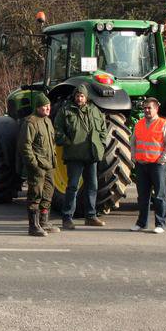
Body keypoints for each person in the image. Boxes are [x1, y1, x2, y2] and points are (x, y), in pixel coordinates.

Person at [54, 84, 108, 229]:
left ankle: (90, 216)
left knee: (92, 186)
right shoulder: (65, 111)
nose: (79, 98)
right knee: (72, 186)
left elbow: (103, 129)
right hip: (74, 155)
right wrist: (68, 142)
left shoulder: (94, 110)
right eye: (77, 96)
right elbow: (57, 130)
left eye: (82, 96)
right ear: (74, 96)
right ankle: (67, 217)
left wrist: (101, 143)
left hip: (91, 154)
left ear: (86, 97)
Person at [130, 97, 166, 234]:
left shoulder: (164, 124)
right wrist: (134, 156)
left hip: (157, 165)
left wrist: (163, 159)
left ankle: (160, 224)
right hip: (141, 164)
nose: (147, 110)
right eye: (145, 108)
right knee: (142, 196)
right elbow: (133, 141)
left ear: (156, 109)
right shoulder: (139, 124)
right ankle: (141, 223)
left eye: (149, 108)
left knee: (160, 195)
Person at [17, 93, 58, 237]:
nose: (47, 108)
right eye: (44, 106)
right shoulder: (31, 122)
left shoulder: (47, 121)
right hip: (38, 166)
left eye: (48, 106)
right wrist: (34, 164)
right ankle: (33, 226)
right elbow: (25, 146)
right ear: (38, 107)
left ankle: (43, 222)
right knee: (35, 194)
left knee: (48, 193)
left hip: (49, 165)